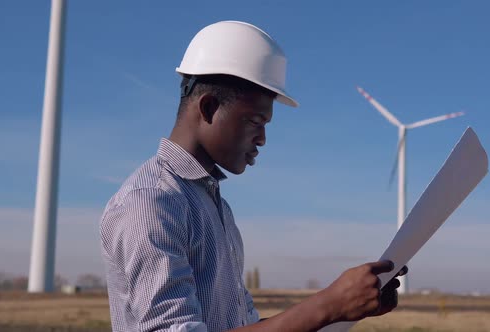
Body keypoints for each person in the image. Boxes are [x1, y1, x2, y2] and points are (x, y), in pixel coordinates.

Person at [100, 20, 407, 332]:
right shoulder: (150, 204)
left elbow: (241, 325)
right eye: (255, 121)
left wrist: (345, 308)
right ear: (208, 108)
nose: (262, 139)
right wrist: (327, 305)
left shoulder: (214, 206)